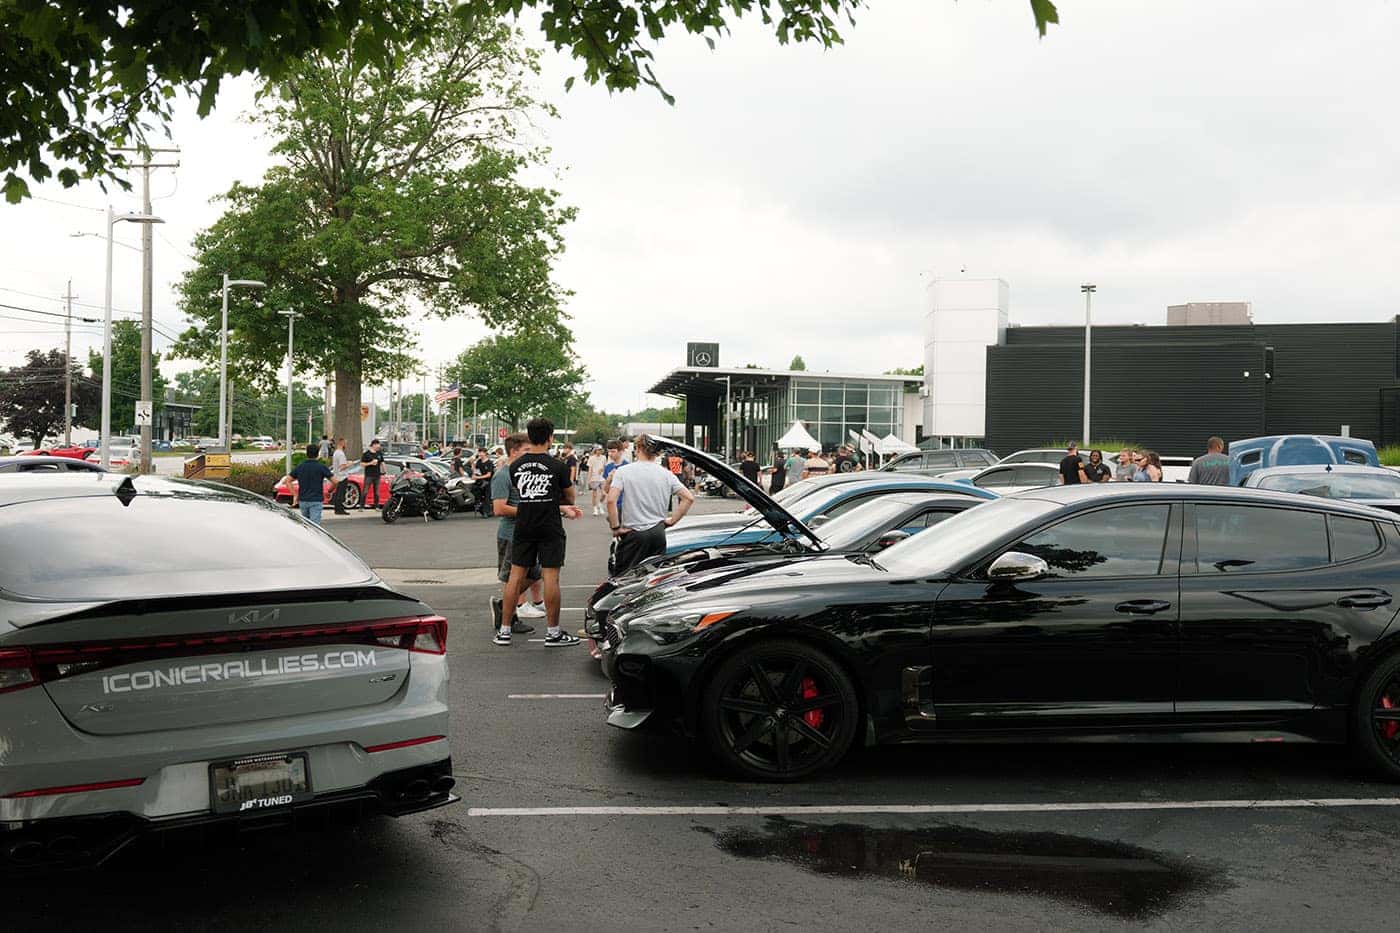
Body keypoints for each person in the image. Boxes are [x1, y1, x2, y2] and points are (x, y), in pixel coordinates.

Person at [496, 418, 582, 647]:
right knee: (551, 576)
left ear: (530, 436)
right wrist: (554, 498)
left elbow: (521, 492)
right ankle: (553, 633)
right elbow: (571, 497)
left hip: (524, 524)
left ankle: (504, 631)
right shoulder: (558, 466)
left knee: (515, 576)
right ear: (550, 438)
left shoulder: (515, 466)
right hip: (549, 526)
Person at [607, 434, 696, 575]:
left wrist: (616, 527)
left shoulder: (623, 472)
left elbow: (611, 500)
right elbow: (688, 498)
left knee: (624, 578)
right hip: (658, 534)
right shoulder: (666, 474)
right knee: (653, 578)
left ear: (638, 449)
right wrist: (672, 520)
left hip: (634, 533)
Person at [488, 433, 544, 638]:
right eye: (526, 451)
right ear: (514, 451)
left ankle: (503, 605)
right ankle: (509, 619)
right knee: (514, 578)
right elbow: (499, 508)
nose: (531, 455)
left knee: (534, 573)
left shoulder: (523, 473)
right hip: (511, 535)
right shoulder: (503, 475)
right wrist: (530, 512)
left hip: (528, 533)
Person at [284, 443, 336, 525]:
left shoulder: (300, 466)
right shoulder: (321, 467)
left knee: (306, 525)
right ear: (317, 453)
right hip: (316, 499)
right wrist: (330, 490)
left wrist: (295, 494)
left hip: (303, 499)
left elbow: (288, 480)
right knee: (314, 526)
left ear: (306, 453)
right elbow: (335, 481)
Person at [358, 438, 384, 509]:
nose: (379, 447)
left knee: (377, 492)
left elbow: (382, 462)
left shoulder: (379, 453)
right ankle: (361, 506)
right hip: (369, 475)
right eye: (378, 446)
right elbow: (362, 464)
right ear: (374, 445)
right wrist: (370, 463)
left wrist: (384, 470)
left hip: (377, 475)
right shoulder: (366, 454)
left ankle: (376, 506)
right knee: (365, 491)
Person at [329, 436, 352, 514]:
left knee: (338, 492)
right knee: (341, 494)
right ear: (341, 443)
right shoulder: (341, 454)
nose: (346, 444)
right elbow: (342, 467)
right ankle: (339, 509)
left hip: (337, 476)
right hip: (342, 476)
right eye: (345, 443)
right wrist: (349, 464)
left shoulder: (336, 453)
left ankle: (337, 508)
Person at [586, 445, 607, 515]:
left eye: (600, 450)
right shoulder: (591, 458)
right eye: (598, 450)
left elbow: (605, 466)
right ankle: (595, 509)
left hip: (602, 478)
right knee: (594, 495)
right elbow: (590, 469)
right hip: (594, 478)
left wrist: (603, 469)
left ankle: (600, 504)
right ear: (595, 450)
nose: (599, 451)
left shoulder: (604, 457)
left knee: (604, 493)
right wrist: (589, 480)